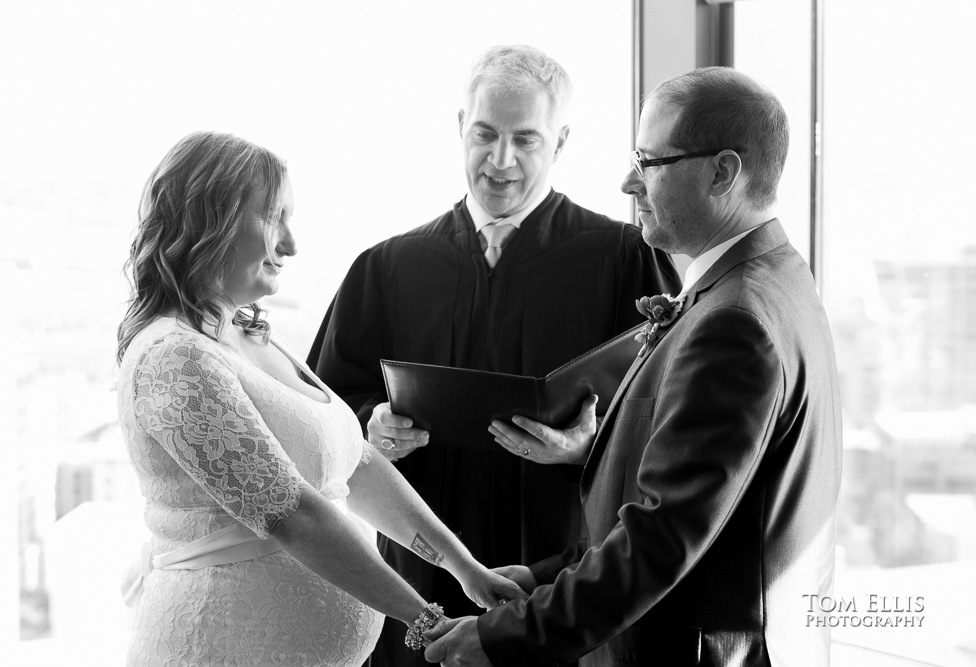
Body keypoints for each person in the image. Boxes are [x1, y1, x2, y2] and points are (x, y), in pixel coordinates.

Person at [425, 67, 843, 666]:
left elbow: (662, 539)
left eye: (649, 163)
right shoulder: (774, 281)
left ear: (723, 172)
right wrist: (542, 579)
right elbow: (683, 504)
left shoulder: (736, 324)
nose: (627, 183)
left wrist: (504, 638)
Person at [307, 45, 680, 666]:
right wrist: (371, 423)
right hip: (419, 579)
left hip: (561, 578)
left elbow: (669, 426)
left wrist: (587, 448)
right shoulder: (386, 268)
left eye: (525, 140)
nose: (500, 160)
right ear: (460, 128)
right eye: (484, 134)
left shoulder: (623, 262)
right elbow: (320, 416)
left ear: (559, 142)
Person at [115, 131, 527, 666]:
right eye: (272, 217)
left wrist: (464, 568)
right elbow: (294, 515)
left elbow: (355, 463)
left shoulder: (251, 334)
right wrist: (429, 622)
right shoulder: (173, 357)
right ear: (208, 220)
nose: (290, 244)